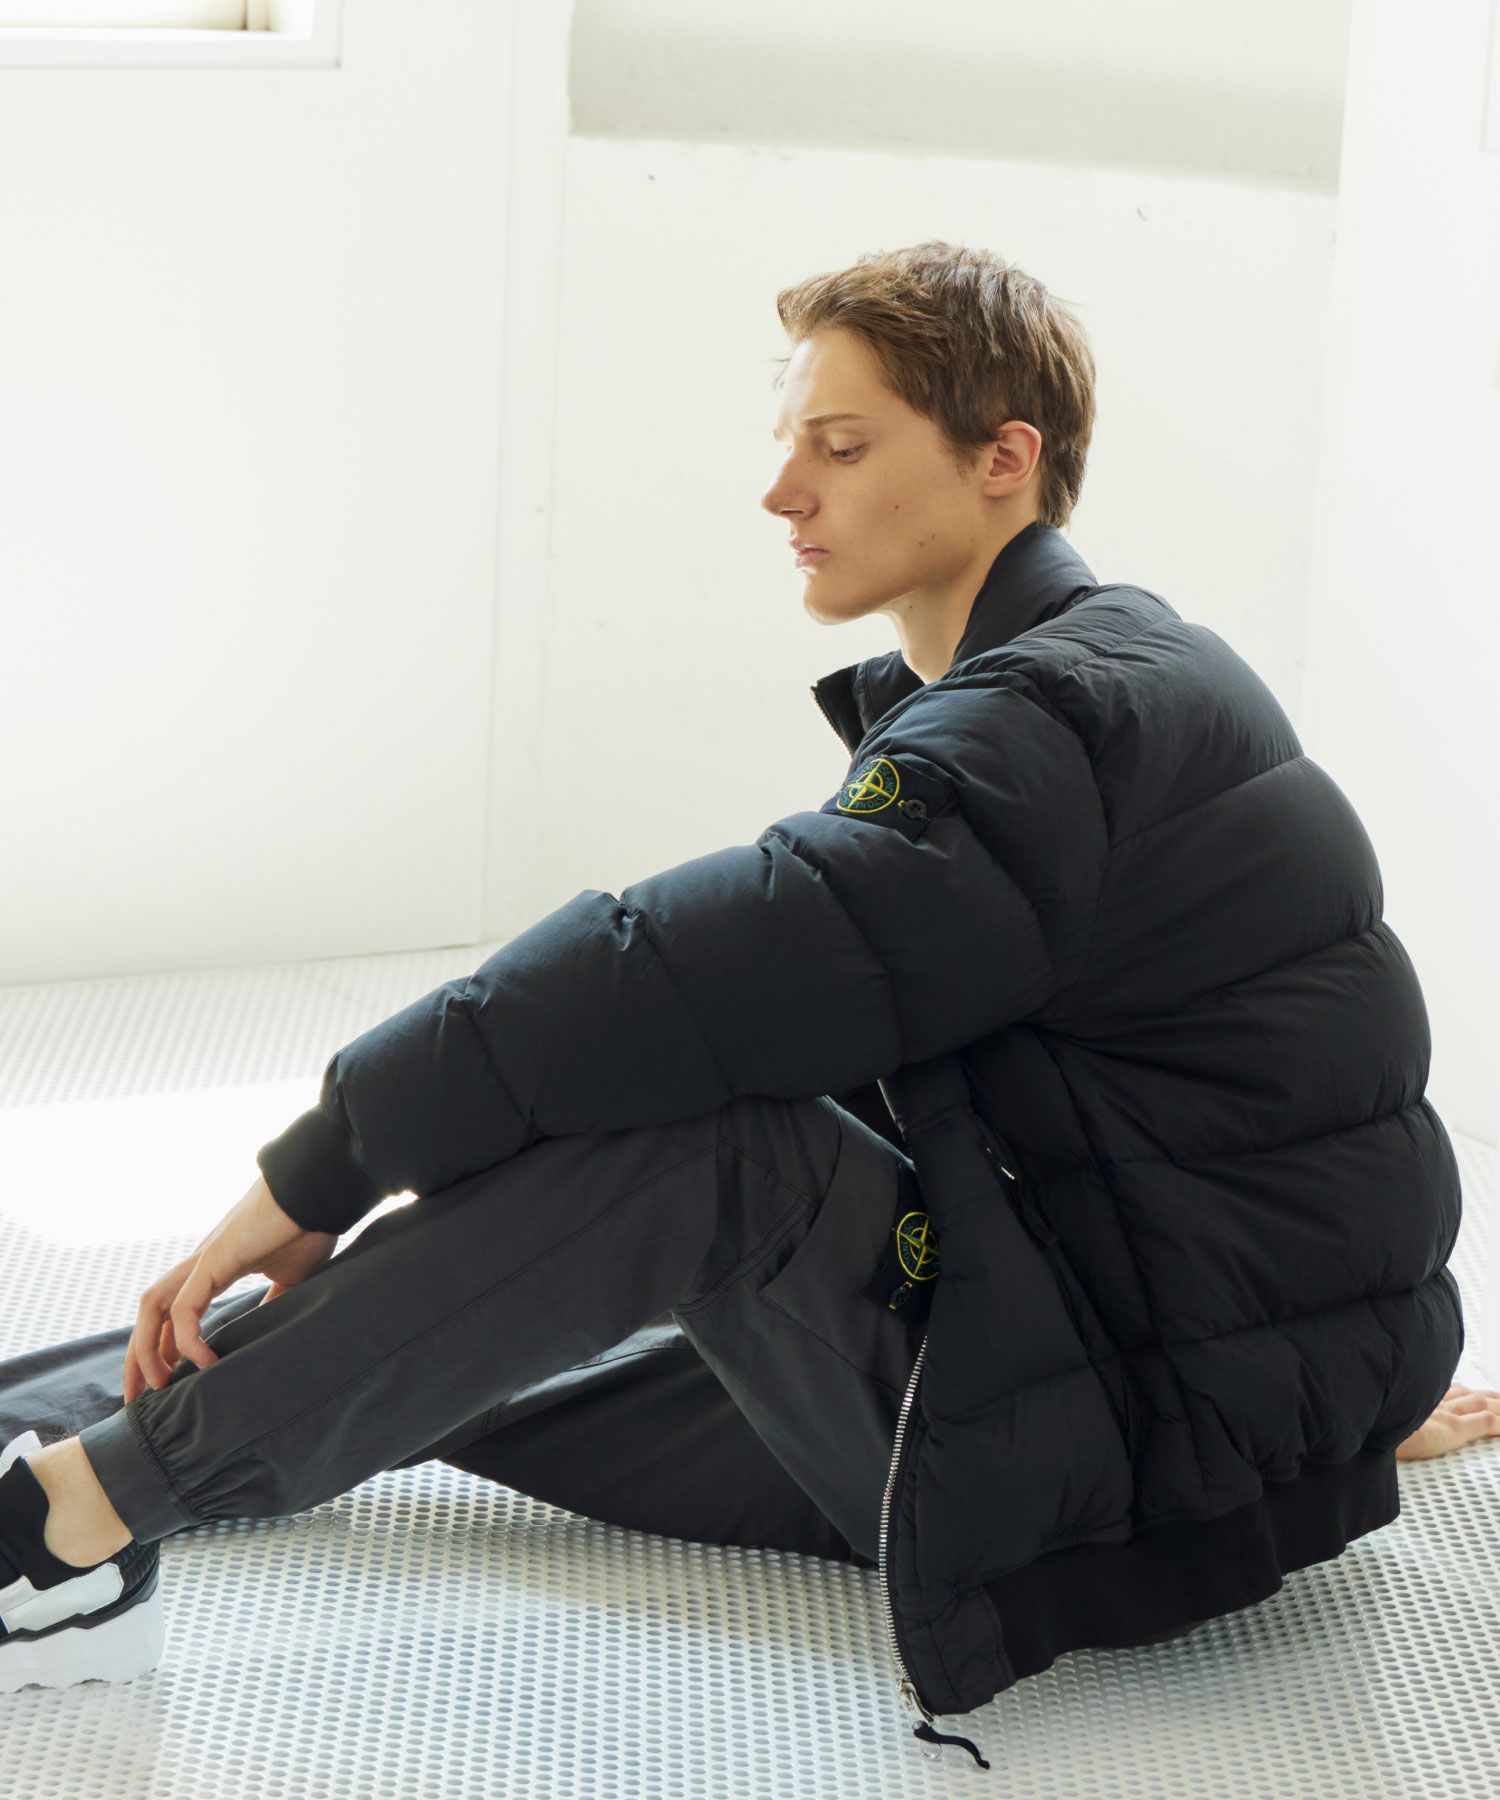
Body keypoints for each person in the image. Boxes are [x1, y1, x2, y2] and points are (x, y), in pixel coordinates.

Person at [1, 244, 1484, 1759]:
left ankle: (65, 1537)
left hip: (1104, 1459)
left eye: (840, 448)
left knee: (711, 1143)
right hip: (1139, 1391)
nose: (783, 493)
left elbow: (662, 977)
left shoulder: (1041, 731)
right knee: (479, 1320)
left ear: (1003, 460)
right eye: (790, 446)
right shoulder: (1123, 672)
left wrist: (324, 1164)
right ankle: (38, 1436)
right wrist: (1312, 1411)